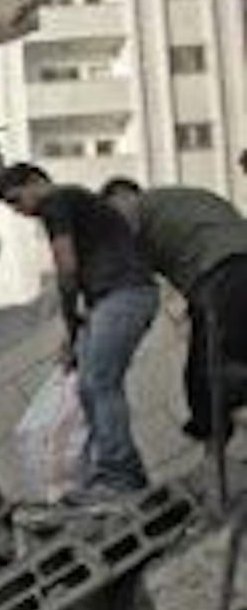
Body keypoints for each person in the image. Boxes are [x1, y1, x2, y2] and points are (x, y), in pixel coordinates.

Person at [0, 162, 159, 500]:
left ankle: (120, 476)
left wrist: (71, 324)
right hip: (117, 298)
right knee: (88, 387)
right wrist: (75, 335)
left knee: (100, 382)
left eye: (16, 200)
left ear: (36, 182)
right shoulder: (78, 202)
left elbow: (66, 269)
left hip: (123, 294)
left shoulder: (56, 202)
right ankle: (123, 475)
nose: (19, 212)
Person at [100, 178, 247, 442]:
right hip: (228, 273)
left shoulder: (132, 206)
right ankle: (215, 434)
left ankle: (214, 448)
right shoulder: (190, 195)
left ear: (121, 195)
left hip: (220, 277)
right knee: (214, 369)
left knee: (207, 380)